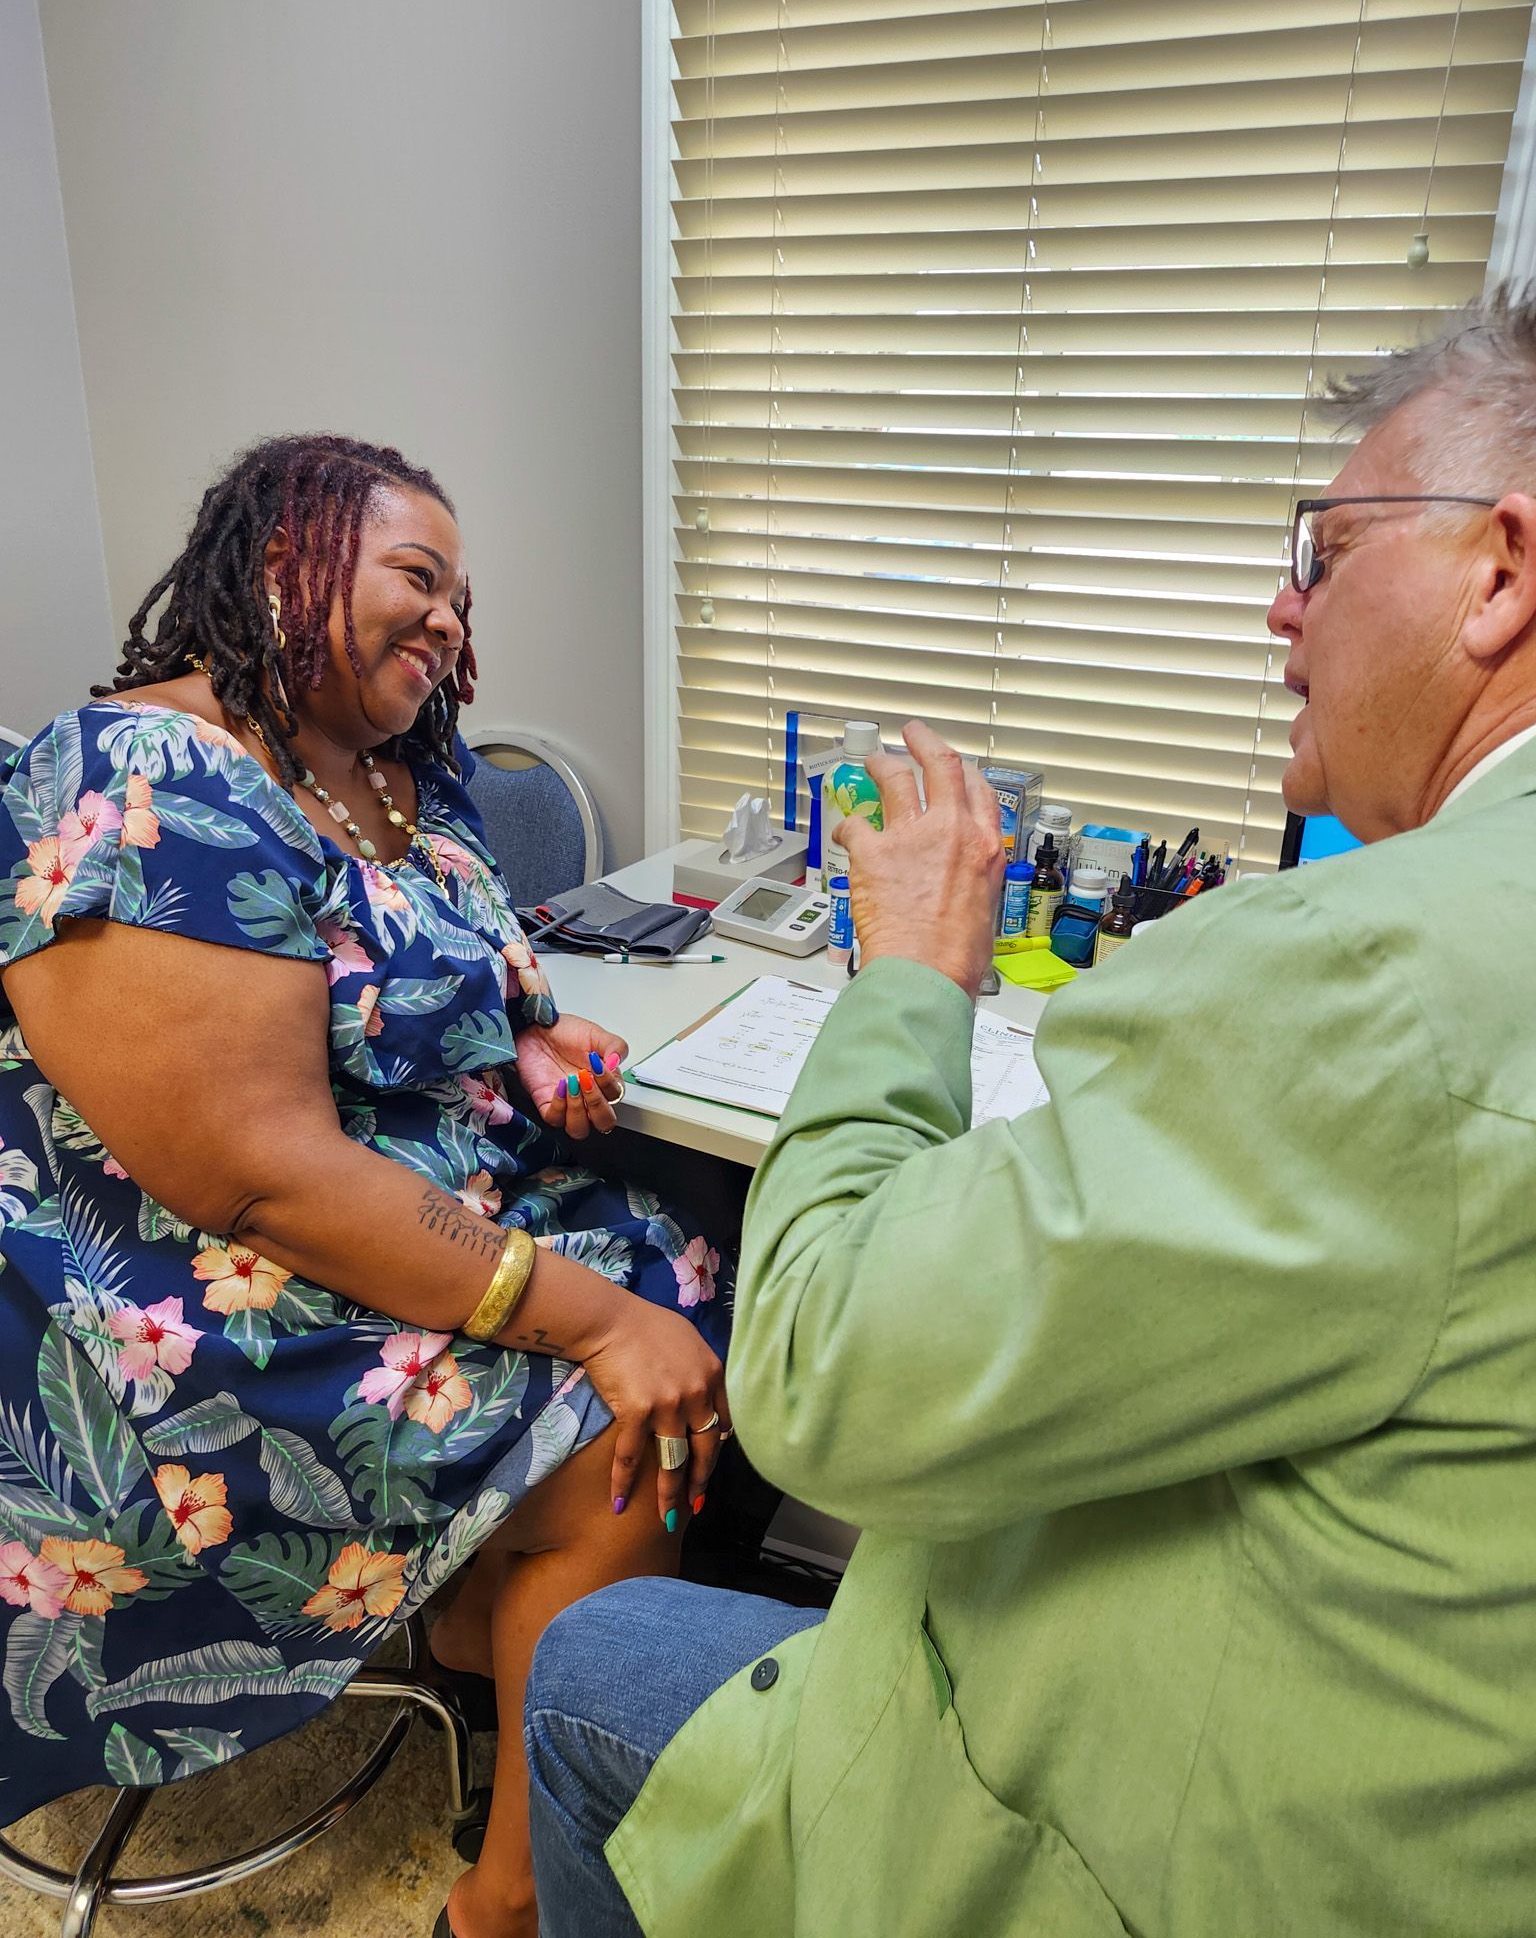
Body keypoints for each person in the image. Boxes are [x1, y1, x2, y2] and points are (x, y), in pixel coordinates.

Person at [524, 287, 1536, 1938]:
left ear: (1500, 567)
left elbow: (825, 1375)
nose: (1282, 609)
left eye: (1328, 553)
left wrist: (913, 964)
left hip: (1160, 1846)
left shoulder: (1369, 970)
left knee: (600, 1671)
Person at [0, 433, 731, 1938]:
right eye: (418, 576)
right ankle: (507, 1899)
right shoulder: (145, 773)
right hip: (201, 1318)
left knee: (713, 1252)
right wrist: (590, 1324)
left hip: (398, 1222)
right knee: (619, 1411)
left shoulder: (389, 773)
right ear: (283, 564)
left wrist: (532, 1031)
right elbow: (257, 1177)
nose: (450, 622)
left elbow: (434, 963)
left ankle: (497, 1624)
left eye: (463, 600)